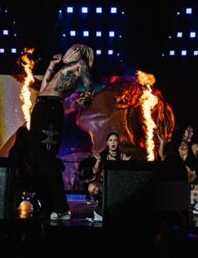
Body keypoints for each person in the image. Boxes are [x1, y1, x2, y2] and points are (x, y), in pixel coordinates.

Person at [28, 44, 94, 220]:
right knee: (36, 160)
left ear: (76, 51)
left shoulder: (80, 64)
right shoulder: (65, 69)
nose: (66, 52)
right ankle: (48, 205)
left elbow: (88, 80)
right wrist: (51, 65)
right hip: (42, 106)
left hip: (50, 109)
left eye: (70, 50)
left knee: (47, 159)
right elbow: (43, 90)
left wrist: (88, 93)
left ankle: (61, 207)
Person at [159, 124, 198, 215]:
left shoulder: (194, 147)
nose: (192, 133)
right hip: (179, 190)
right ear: (181, 132)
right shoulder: (172, 148)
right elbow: (162, 157)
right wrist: (162, 143)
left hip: (194, 189)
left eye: (192, 131)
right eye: (189, 131)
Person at [85, 132, 131, 222]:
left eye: (115, 140)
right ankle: (100, 205)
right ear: (107, 143)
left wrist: (126, 162)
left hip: (118, 186)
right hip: (105, 185)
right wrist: (98, 160)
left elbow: (127, 174)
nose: (113, 142)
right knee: (92, 188)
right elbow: (94, 171)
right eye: (110, 140)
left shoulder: (122, 156)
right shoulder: (103, 155)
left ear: (118, 143)